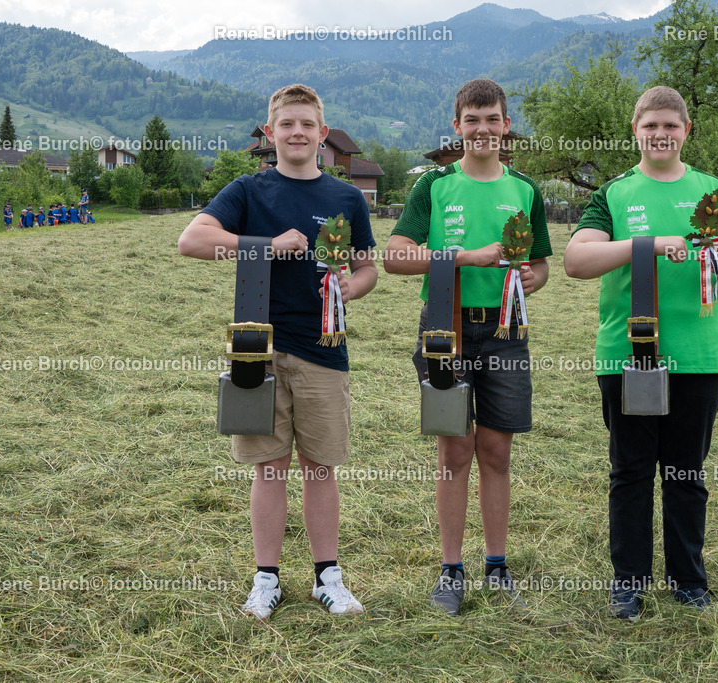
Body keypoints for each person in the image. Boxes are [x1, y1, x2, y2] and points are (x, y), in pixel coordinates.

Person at [178, 83, 377, 621]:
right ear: (271, 132)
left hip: (323, 352)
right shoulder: (248, 190)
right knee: (268, 467)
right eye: (286, 124)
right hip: (256, 353)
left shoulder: (346, 198)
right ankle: (266, 578)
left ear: (322, 133)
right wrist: (264, 246)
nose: (297, 133)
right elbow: (192, 241)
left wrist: (345, 289)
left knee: (320, 468)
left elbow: (366, 268)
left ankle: (326, 578)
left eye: (307, 125)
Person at [564, 86, 718, 619]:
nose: (661, 134)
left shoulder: (712, 191)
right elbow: (577, 262)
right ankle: (628, 582)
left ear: (686, 131)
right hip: (629, 354)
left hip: (699, 355)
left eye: (671, 125)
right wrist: (646, 245)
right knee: (630, 472)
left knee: (686, 473)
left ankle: (689, 581)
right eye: (651, 126)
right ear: (636, 131)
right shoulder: (614, 194)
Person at [383, 78, 552, 616]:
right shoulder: (433, 185)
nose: (483, 129)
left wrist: (532, 278)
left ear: (507, 126)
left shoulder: (525, 189)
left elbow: (543, 263)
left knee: (497, 452)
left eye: (493, 119)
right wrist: (463, 256)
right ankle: (450, 571)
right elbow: (395, 256)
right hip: (444, 330)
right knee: (454, 451)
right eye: (472, 120)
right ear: (457, 128)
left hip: (505, 333)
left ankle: (497, 567)